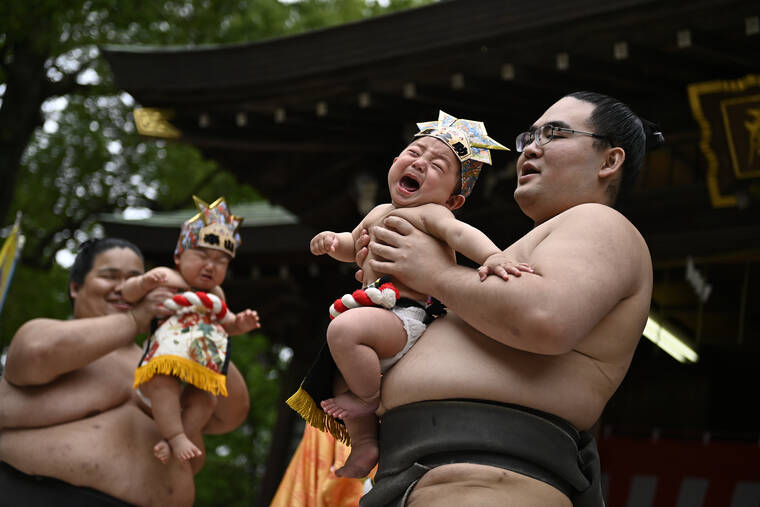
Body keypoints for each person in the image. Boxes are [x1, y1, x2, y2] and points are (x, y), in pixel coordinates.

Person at [353, 91, 663, 506]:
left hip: (491, 478)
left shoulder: (602, 223)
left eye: (554, 133)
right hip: (423, 474)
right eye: (528, 136)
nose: (531, 147)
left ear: (609, 161)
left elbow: (544, 316)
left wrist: (437, 273)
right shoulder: (528, 248)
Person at [288, 111, 532, 479]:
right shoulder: (379, 211)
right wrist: (332, 242)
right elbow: (352, 244)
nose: (420, 162)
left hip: (404, 316)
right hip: (374, 313)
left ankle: (368, 398)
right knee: (340, 371)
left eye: (437, 165)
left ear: (454, 200)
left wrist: (494, 256)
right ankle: (366, 443)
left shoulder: (433, 215)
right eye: (414, 153)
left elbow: (463, 238)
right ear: (394, 162)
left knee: (343, 333)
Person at [0, 237, 250, 506]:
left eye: (135, 278)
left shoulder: (167, 362)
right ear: (75, 287)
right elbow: (37, 351)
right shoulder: (45, 331)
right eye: (109, 276)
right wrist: (135, 319)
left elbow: (231, 413)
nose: (121, 288)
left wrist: (205, 322)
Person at [123, 196, 260, 465]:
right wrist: (142, 282)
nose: (211, 265)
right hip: (166, 356)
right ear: (178, 256)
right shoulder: (165, 276)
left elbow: (226, 322)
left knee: (204, 401)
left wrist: (240, 324)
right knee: (164, 387)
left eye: (221, 261)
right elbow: (128, 294)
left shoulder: (216, 293)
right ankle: (174, 435)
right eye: (202, 255)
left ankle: (177, 436)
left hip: (202, 358)